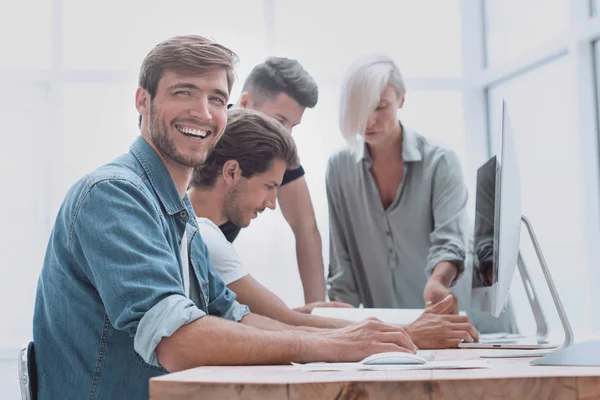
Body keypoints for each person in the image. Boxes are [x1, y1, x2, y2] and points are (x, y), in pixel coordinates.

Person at [32, 36, 416, 400]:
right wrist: (329, 345)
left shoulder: (180, 215)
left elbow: (236, 316)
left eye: (216, 98)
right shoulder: (115, 195)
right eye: (183, 92)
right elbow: (179, 340)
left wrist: (361, 337)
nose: (203, 112)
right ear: (142, 101)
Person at [188, 108, 480, 346]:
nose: (272, 203)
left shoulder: (194, 232)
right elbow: (286, 323)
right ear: (231, 172)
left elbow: (261, 317)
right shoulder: (206, 239)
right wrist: (411, 332)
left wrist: (305, 312)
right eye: (269, 186)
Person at [326, 54, 475, 324]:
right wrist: (337, 324)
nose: (369, 120)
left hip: (455, 316)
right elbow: (341, 260)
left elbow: (451, 240)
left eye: (380, 106)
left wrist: (439, 281)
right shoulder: (339, 169)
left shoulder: (440, 162)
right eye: (360, 108)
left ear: (402, 99)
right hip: (393, 326)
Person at [222, 57, 327, 304]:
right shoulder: (201, 138)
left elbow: (306, 226)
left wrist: (317, 307)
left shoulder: (280, 149)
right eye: (279, 121)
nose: (286, 134)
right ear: (245, 102)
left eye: (293, 125)